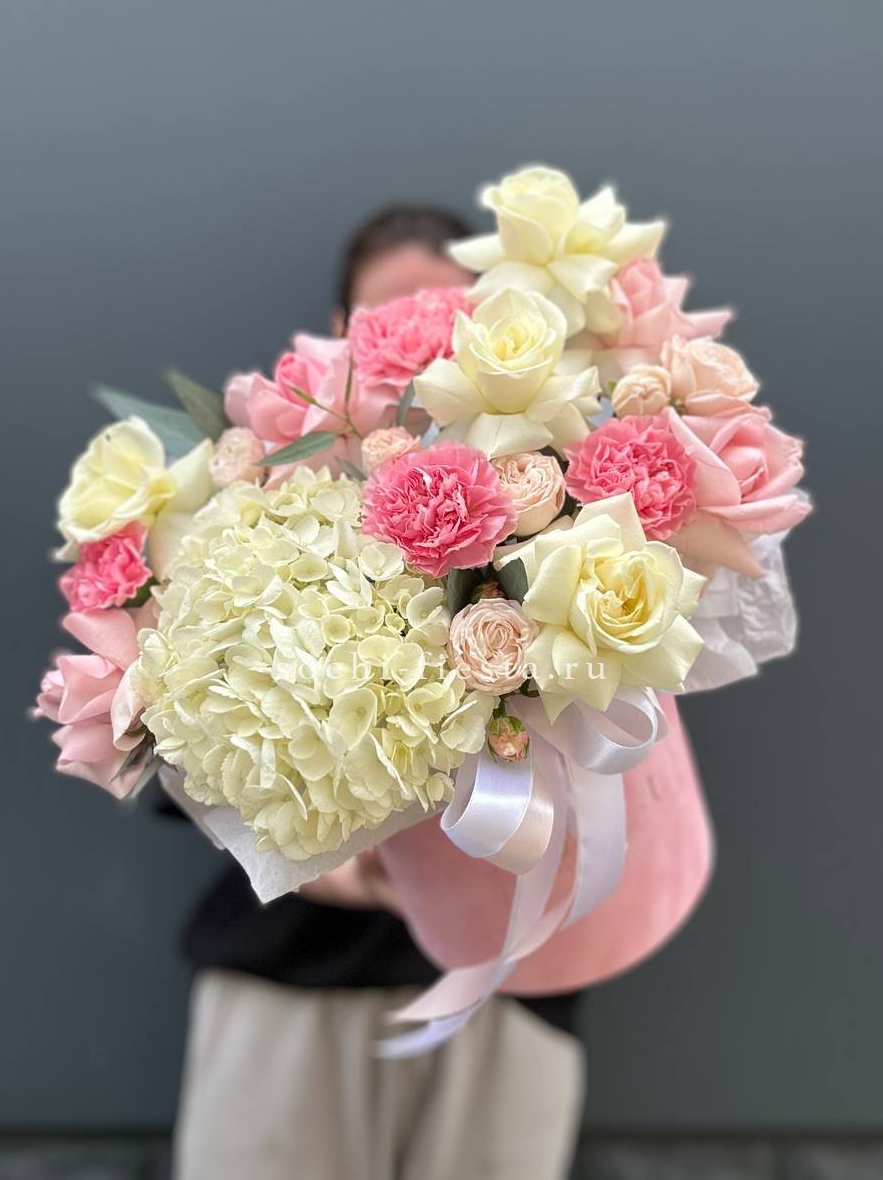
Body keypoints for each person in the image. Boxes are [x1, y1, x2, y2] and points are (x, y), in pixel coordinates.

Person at [172, 206, 586, 1180]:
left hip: (505, 983)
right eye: (388, 319)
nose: (418, 340)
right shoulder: (257, 496)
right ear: (336, 333)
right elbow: (179, 720)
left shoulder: (565, 489)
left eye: (446, 313)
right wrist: (314, 858)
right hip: (294, 969)